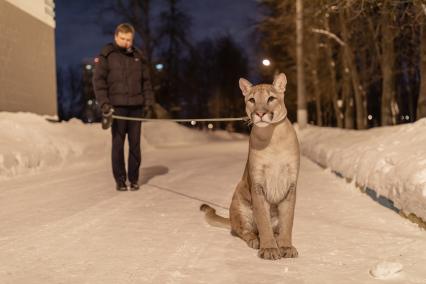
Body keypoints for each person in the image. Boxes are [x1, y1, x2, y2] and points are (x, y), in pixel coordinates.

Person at [93, 23, 154, 191]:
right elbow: (98, 82)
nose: (126, 43)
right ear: (116, 36)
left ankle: (133, 179)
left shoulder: (138, 56)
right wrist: (104, 104)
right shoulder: (107, 54)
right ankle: (120, 179)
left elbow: (146, 82)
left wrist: (148, 103)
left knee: (135, 144)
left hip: (136, 107)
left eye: (129, 40)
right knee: (118, 144)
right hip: (117, 108)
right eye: (123, 39)